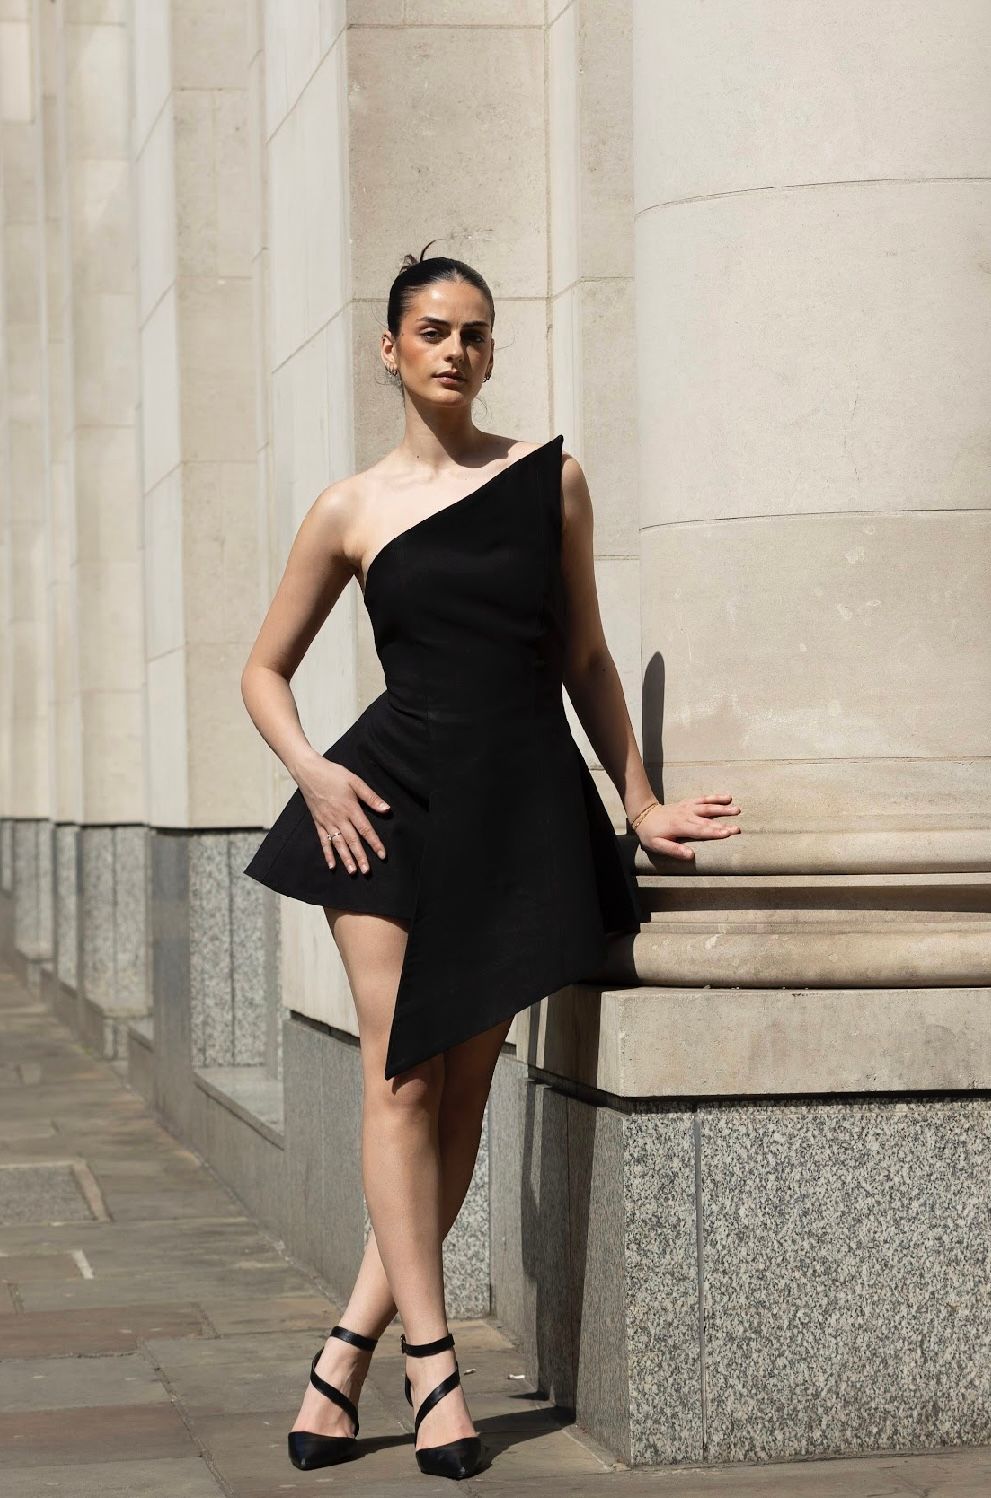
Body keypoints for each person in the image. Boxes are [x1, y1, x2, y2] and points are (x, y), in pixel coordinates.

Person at [239, 245, 742, 1481]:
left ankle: (344, 1350)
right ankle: (434, 1365)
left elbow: (584, 655)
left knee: (462, 1094)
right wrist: (311, 769)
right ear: (391, 349)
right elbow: (262, 670)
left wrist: (640, 799)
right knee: (399, 1079)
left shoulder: (548, 478)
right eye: (433, 330)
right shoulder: (349, 508)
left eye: (476, 331)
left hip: (516, 808)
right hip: (385, 806)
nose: (456, 349)